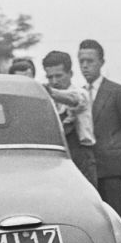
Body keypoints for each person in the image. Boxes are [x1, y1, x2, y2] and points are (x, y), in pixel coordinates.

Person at [77, 38, 121, 224]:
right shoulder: (78, 94)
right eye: (81, 62)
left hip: (111, 168)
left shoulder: (117, 92)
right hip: (87, 170)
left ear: (101, 63)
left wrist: (116, 150)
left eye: (90, 61)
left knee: (116, 219)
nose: (85, 66)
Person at [42, 50, 97, 187]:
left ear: (70, 74)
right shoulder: (47, 101)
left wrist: (49, 92)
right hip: (57, 159)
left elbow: (74, 99)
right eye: (50, 77)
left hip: (81, 156)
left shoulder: (80, 93)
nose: (54, 81)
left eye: (59, 76)